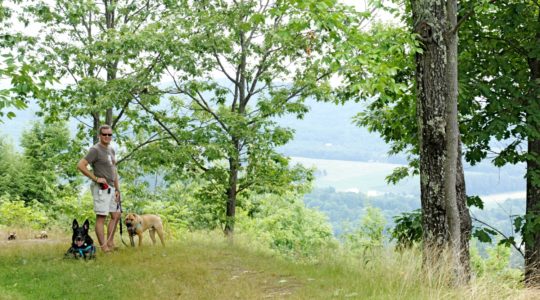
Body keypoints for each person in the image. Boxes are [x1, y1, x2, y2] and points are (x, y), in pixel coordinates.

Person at [77, 124, 121, 253]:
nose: (107, 136)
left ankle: (110, 243)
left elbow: (114, 171)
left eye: (109, 134)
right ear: (99, 135)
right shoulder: (95, 150)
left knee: (116, 215)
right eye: (104, 134)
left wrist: (118, 189)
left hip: (112, 188)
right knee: (101, 217)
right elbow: (81, 165)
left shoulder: (111, 150)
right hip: (102, 188)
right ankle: (104, 248)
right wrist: (95, 179)